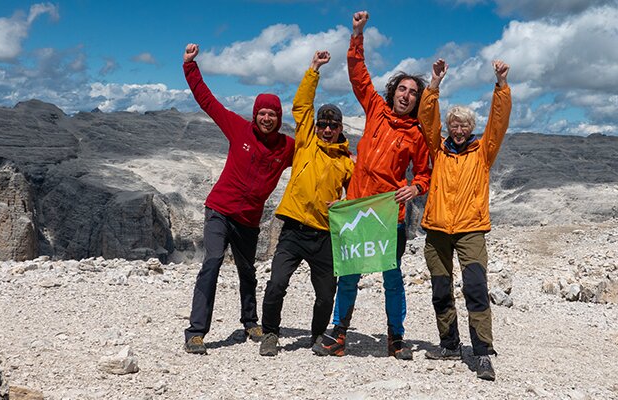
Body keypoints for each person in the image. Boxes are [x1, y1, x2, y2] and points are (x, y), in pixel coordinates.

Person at [313, 10, 431, 360]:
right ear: (393, 91)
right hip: (358, 208)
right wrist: (357, 34)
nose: (406, 95)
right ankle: (338, 336)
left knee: (392, 277)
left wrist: (417, 188)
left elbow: (425, 173)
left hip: (388, 215)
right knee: (349, 275)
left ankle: (396, 338)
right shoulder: (376, 110)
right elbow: (358, 74)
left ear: (417, 99)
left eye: (413, 92)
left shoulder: (417, 135)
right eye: (403, 89)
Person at [181, 43, 295, 355]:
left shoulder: (287, 148)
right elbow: (208, 101)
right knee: (213, 261)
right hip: (219, 209)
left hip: (248, 220)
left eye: (272, 114)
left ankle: (250, 320)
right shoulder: (238, 128)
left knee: (248, 271)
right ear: (255, 114)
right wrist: (190, 66)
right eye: (262, 113)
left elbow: (314, 160)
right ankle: (195, 332)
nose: (267, 118)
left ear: (279, 117)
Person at [417, 58, 511, 381]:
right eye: (453, 125)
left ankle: (483, 352)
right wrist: (434, 84)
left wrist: (500, 86)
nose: (458, 130)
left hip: (471, 231)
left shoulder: (482, 152)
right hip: (437, 231)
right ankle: (449, 344)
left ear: (471, 128)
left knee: (475, 287)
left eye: (464, 125)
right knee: (441, 289)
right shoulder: (438, 150)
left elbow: (498, 123)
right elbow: (425, 117)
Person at [258, 50, 355, 357]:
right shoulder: (306, 141)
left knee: (327, 294)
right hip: (294, 231)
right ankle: (270, 333)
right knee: (276, 284)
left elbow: (355, 199)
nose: (327, 129)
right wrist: (314, 70)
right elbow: (301, 105)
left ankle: (317, 335)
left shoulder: (347, 163)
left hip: (325, 235)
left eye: (333, 125)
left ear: (340, 128)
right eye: (323, 124)